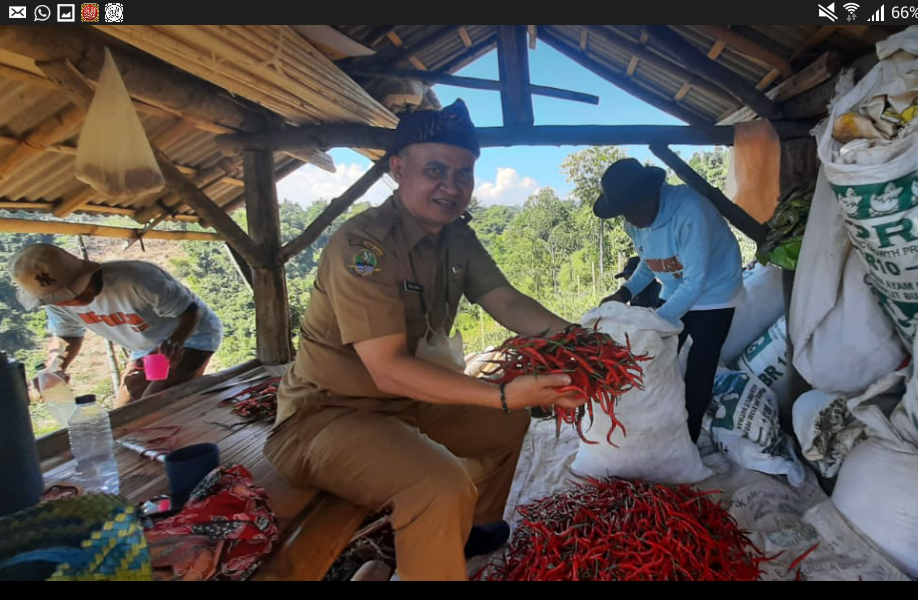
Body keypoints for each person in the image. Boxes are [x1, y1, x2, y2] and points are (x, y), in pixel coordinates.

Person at [263, 99, 585, 581]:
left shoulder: (457, 239)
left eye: (463, 173)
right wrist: (499, 393)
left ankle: (467, 531)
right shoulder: (364, 247)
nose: (451, 186)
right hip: (326, 417)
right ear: (398, 169)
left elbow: (506, 300)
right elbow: (387, 366)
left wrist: (580, 341)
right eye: (435, 170)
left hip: (404, 405)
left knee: (509, 424)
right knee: (440, 483)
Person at [595, 158, 742, 443]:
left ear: (653, 194)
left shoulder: (690, 212)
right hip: (677, 284)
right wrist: (624, 292)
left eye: (635, 210)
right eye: (624, 213)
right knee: (657, 358)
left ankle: (687, 439)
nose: (631, 219)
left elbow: (695, 283)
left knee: (700, 365)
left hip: (715, 290)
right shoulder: (635, 222)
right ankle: (658, 424)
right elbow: (650, 263)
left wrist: (655, 322)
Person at [11, 243, 222, 407]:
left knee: (156, 403)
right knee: (126, 412)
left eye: (74, 290)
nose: (71, 302)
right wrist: (55, 369)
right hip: (147, 349)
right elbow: (68, 335)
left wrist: (175, 342)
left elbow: (190, 311)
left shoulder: (136, 279)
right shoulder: (55, 302)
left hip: (190, 336)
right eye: (62, 298)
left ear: (84, 272)